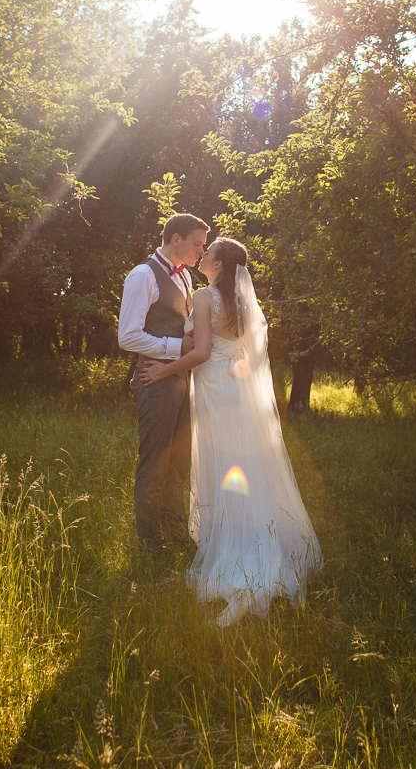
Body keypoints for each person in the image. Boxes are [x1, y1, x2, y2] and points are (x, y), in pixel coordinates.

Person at [138, 237, 322, 626]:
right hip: (235, 389)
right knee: (243, 464)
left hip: (215, 389)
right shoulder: (239, 301)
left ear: (218, 264)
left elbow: (203, 352)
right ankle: (259, 536)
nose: (201, 256)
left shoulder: (206, 297)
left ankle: (234, 550)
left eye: (207, 253)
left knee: (223, 465)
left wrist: (162, 368)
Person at [117, 213, 208, 554]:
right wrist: (175, 348)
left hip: (182, 378)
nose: (201, 250)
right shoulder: (143, 275)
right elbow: (128, 336)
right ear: (176, 240)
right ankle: (151, 544)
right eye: (196, 244)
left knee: (180, 461)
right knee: (156, 462)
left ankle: (177, 535)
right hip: (154, 379)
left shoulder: (184, 278)